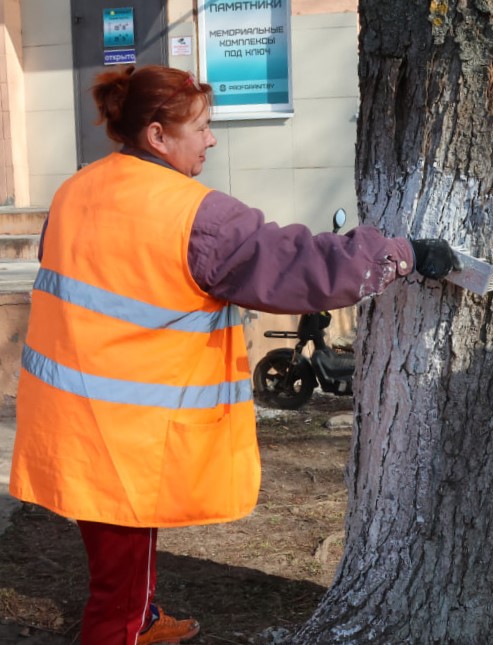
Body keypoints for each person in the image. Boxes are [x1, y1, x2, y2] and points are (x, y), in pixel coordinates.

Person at [8, 65, 461, 645]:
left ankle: (143, 619)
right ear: (157, 137)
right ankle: (128, 627)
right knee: (112, 596)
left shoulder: (76, 190)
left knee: (125, 543)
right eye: (200, 126)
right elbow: (297, 264)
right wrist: (401, 254)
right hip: (124, 429)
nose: (211, 138)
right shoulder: (195, 216)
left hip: (70, 417)